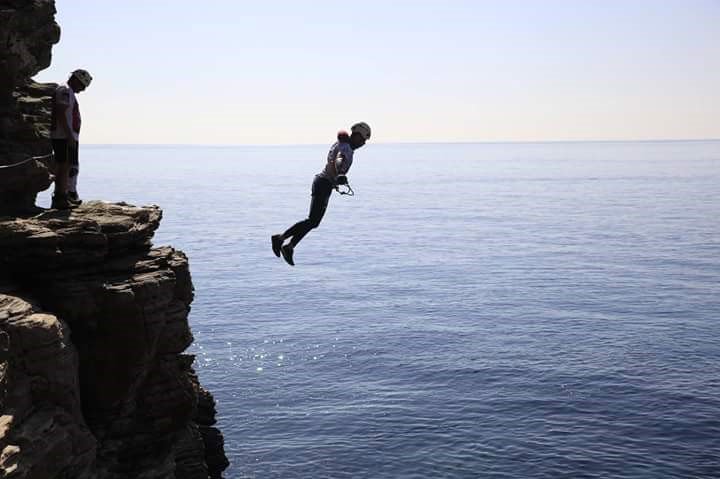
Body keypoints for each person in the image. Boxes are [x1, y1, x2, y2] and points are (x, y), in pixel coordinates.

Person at [271, 122, 371, 266]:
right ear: (356, 135)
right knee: (312, 221)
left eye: (365, 141)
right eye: (362, 139)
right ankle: (281, 240)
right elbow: (339, 159)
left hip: (324, 184)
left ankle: (288, 246)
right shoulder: (345, 148)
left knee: (313, 222)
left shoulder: (343, 144)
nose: (363, 143)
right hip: (323, 183)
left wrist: (337, 178)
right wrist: (341, 173)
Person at [50, 68, 92, 209]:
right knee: (64, 166)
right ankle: (61, 198)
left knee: (67, 165)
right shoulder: (65, 90)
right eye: (82, 85)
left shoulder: (69, 92)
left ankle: (65, 195)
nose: (83, 89)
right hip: (63, 136)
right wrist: (69, 135)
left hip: (67, 135)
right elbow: (61, 112)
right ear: (75, 80)